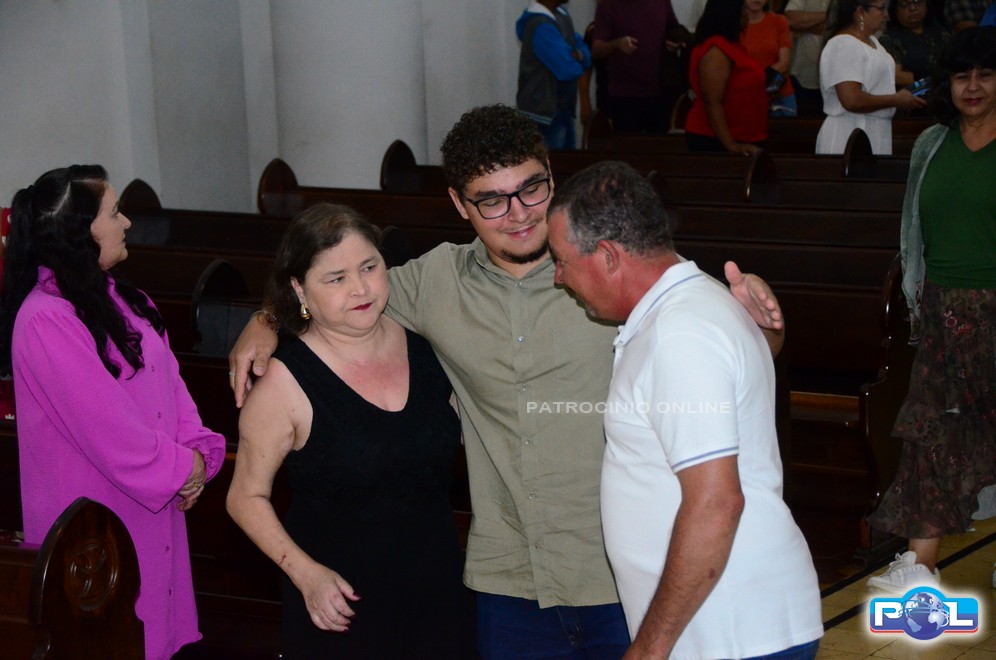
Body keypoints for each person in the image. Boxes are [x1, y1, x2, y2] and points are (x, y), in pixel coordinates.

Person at [229, 104, 786, 659]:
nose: (518, 214)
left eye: (531, 189)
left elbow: (734, 340)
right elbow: (335, 291)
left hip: (621, 574)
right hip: (507, 584)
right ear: (459, 204)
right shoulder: (430, 282)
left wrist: (761, 318)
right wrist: (267, 320)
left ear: (551, 176)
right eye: (492, 201)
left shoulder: (611, 269)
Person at [546, 160, 823, 659]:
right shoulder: (690, 307)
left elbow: (716, 502)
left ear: (607, 256)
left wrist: (650, 648)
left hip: (729, 634)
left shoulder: (679, 332)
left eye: (562, 260)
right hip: (725, 628)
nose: (558, 277)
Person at [225, 204, 474, 658]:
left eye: (369, 267)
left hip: (438, 590)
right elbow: (245, 497)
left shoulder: (427, 348)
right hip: (339, 601)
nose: (360, 288)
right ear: (300, 289)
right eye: (336, 278)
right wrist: (305, 574)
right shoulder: (283, 382)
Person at [0, 165, 226, 659]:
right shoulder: (44, 319)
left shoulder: (127, 299)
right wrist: (185, 468)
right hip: (96, 523)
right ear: (80, 231)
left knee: (156, 639)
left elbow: (172, 386)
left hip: (153, 503)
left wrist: (196, 449)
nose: (126, 223)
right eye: (115, 212)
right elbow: (110, 433)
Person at [865, 26, 996, 593]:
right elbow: (911, 230)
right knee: (929, 434)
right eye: (961, 75)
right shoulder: (931, 144)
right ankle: (920, 565)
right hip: (943, 312)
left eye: (986, 74)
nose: (973, 86)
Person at [815, 0, 928, 154]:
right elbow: (851, 100)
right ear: (860, 12)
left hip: (875, 130)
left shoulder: (873, 41)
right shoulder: (843, 44)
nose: (886, 15)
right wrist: (895, 100)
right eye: (881, 9)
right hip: (851, 132)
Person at [592, 0, 690, 133]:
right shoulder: (609, 4)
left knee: (659, 144)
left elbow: (673, 29)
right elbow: (596, 50)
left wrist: (675, 42)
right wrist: (616, 44)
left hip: (660, 94)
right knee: (628, 144)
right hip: (625, 96)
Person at [685, 0, 770, 154]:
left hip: (746, 134)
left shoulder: (732, 46)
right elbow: (712, 102)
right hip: (716, 139)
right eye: (743, 10)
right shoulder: (716, 51)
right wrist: (731, 145)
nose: (747, 15)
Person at [516, 0, 592, 150]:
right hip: (542, 116)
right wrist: (576, 57)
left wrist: (577, 55)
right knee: (552, 163)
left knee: (567, 162)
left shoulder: (561, 15)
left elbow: (586, 53)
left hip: (562, 110)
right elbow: (567, 69)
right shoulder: (539, 25)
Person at [742, 0, 799, 116]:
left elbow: (784, 62)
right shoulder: (735, 25)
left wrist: (761, 82)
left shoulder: (778, 21)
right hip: (746, 93)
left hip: (780, 93)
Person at [879, 0, 952, 87]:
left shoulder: (941, 33)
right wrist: (932, 79)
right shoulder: (889, 39)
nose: (913, 8)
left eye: (917, 2)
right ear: (896, 10)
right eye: (905, 4)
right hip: (913, 92)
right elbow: (895, 75)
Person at [785, 0, 831, 115]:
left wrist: (805, 25)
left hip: (837, 80)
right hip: (802, 76)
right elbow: (791, 20)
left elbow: (851, 26)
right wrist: (832, 14)